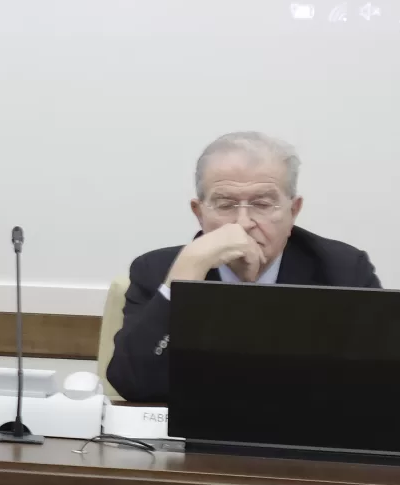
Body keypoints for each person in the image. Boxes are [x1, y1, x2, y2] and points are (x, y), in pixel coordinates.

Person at [104, 130, 380, 403]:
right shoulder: (156, 269)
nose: (243, 222)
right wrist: (183, 280)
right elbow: (132, 383)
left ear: (293, 211)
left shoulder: (343, 270)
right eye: (225, 205)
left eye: (262, 204)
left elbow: (378, 384)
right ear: (199, 213)